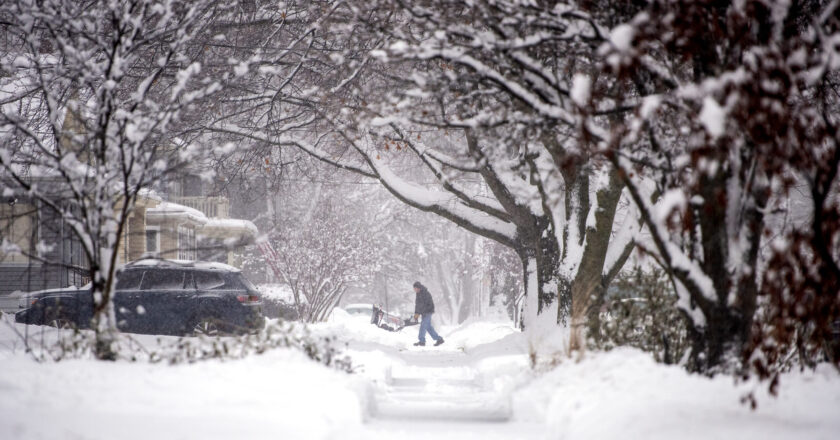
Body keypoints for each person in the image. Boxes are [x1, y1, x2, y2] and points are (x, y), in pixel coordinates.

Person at [412, 281, 444, 347]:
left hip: (428, 312)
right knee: (428, 327)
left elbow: (427, 304)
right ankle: (439, 339)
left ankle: (422, 341)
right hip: (424, 312)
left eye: (415, 288)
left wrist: (421, 312)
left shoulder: (425, 293)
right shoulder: (418, 294)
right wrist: (416, 314)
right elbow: (417, 305)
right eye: (414, 288)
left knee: (423, 325)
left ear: (418, 287)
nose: (414, 290)